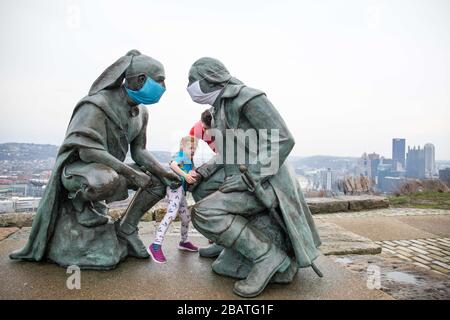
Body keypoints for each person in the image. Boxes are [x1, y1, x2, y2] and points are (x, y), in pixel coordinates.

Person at [10, 50, 181, 265]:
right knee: (106, 178)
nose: (164, 88)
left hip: (111, 167)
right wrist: (130, 173)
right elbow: (87, 150)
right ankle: (82, 208)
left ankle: (127, 229)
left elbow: (139, 151)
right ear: (140, 80)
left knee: (156, 182)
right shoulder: (96, 104)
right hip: (79, 171)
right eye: (160, 81)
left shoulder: (142, 112)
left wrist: (164, 173)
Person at [186, 57, 321, 298]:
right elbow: (229, 151)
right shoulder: (220, 106)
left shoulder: (248, 98)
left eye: (191, 80)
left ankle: (266, 256)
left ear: (209, 79)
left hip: (265, 181)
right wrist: (203, 172)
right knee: (201, 189)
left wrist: (252, 177)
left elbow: (283, 139)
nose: (189, 87)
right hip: (238, 172)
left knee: (205, 212)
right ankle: (229, 242)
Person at [148, 136, 200, 263]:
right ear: (183, 147)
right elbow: (173, 165)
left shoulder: (189, 159)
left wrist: (193, 173)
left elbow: (192, 171)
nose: (193, 150)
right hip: (174, 189)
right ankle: (155, 245)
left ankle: (184, 242)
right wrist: (186, 175)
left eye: (195, 148)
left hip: (181, 191)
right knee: (171, 214)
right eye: (190, 147)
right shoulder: (181, 155)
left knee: (186, 217)